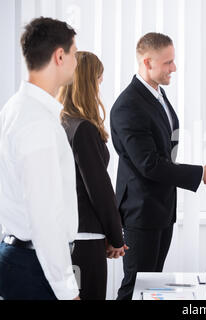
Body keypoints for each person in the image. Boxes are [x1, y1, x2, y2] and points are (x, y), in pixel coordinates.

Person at [110, 32, 206, 300]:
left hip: (161, 208)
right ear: (147, 62)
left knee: (152, 287)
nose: (174, 68)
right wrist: (199, 173)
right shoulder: (129, 105)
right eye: (168, 63)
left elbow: (166, 153)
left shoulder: (157, 95)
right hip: (141, 212)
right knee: (135, 286)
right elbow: (148, 164)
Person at [0, 17, 80, 300]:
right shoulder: (36, 122)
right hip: (34, 267)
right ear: (60, 55)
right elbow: (44, 215)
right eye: (74, 53)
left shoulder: (17, 108)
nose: (76, 62)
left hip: (24, 259)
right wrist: (68, 291)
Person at [58, 51, 129, 300]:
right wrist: (116, 237)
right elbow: (99, 189)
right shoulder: (84, 129)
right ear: (89, 83)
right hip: (85, 239)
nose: (100, 86)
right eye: (99, 79)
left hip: (66, 238)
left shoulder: (62, 123)